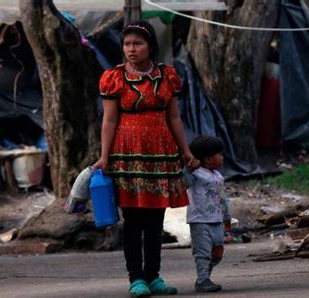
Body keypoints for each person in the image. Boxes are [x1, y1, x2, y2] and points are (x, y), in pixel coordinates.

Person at [92, 20, 199, 297]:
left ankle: (154, 277)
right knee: (133, 219)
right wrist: (104, 157)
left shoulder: (167, 76)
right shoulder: (114, 78)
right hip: (127, 154)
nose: (131, 49)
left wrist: (185, 151)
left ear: (150, 46)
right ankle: (135, 278)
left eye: (137, 44)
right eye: (127, 44)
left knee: (156, 218)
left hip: (161, 153)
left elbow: (174, 116)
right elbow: (109, 120)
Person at [183, 135, 230, 293]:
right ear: (208, 159)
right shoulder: (196, 174)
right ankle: (203, 279)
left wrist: (227, 216)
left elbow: (222, 198)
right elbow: (185, 183)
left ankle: (205, 277)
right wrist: (187, 170)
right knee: (203, 252)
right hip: (200, 220)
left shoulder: (218, 176)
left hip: (217, 220)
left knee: (217, 251)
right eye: (220, 155)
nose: (223, 158)